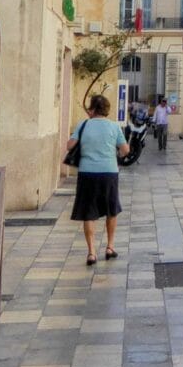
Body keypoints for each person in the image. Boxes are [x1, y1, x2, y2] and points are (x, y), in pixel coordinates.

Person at [67, 93, 130, 265]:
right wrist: (113, 154)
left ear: (92, 109)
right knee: (111, 209)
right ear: (107, 109)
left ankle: (91, 253)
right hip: (109, 172)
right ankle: (110, 247)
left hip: (87, 173)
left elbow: (69, 146)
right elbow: (125, 150)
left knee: (89, 212)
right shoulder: (114, 126)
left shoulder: (83, 124)